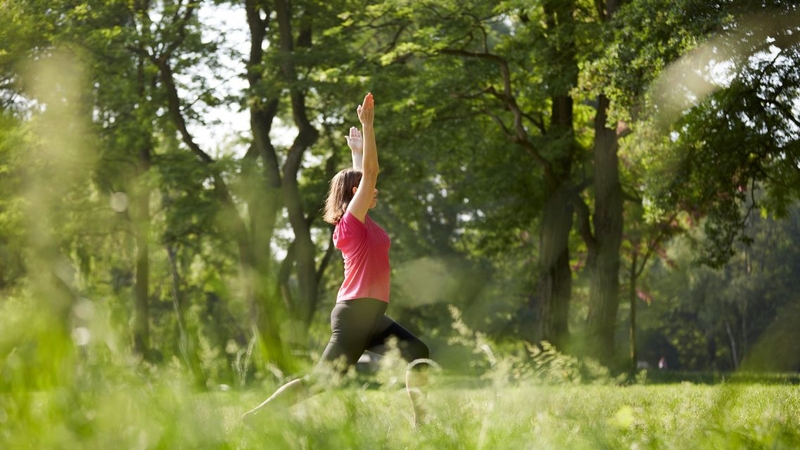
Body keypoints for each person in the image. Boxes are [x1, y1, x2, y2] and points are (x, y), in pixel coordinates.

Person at [242, 92, 430, 426]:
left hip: (372, 315)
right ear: (352, 196)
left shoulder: (364, 222)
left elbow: (363, 176)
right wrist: (368, 128)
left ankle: (421, 424)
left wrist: (356, 153)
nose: (375, 190)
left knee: (418, 353)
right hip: (355, 314)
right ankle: (254, 418)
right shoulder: (350, 226)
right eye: (364, 189)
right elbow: (369, 176)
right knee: (322, 380)